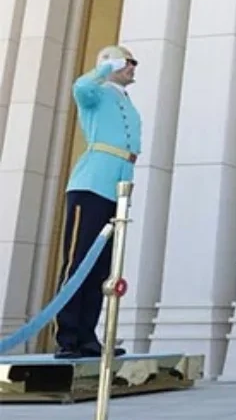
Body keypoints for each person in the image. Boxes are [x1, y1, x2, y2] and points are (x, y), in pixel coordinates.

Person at [54, 46, 142, 359]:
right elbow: (80, 86)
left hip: (117, 188)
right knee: (78, 261)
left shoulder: (124, 100)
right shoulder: (96, 92)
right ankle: (68, 337)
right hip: (90, 184)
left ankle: (88, 336)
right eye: (127, 61)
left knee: (103, 266)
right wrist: (106, 67)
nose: (133, 67)